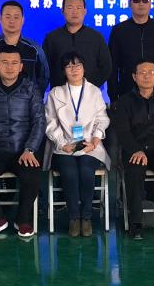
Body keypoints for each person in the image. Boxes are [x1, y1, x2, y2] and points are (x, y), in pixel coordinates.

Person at [0, 45, 45, 239]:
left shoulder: (31, 88)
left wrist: (30, 149)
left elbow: (39, 121)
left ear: (21, 66)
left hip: (23, 150)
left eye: (14, 63)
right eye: (5, 62)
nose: (9, 67)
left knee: (33, 176)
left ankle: (23, 219)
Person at [111, 59, 154, 239]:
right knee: (134, 172)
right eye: (142, 73)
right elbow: (123, 131)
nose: (147, 76)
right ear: (134, 77)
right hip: (135, 151)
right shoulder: (124, 102)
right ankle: (136, 223)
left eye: (151, 72)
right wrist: (135, 149)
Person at [45, 52, 110, 237]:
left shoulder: (94, 91)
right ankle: (74, 218)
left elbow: (102, 118)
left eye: (77, 65)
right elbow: (50, 123)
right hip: (64, 146)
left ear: (84, 68)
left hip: (90, 144)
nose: (74, 69)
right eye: (69, 66)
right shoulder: (56, 93)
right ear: (64, 71)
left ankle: (86, 217)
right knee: (69, 172)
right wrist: (62, 143)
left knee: (86, 171)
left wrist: (96, 139)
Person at [107, 0, 154, 98]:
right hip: (127, 90)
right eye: (136, 0)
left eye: (145, 0)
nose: (141, 4)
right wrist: (113, 96)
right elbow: (112, 66)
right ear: (129, 3)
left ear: (150, 4)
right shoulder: (119, 30)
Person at [0, 0, 50, 94]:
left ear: (22, 20)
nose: (12, 21)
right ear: (0, 19)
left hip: (27, 101)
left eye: (16, 17)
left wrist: (34, 97)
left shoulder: (34, 48)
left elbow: (44, 76)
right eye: (8, 17)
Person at [42, 0, 112, 88]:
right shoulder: (51, 38)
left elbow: (106, 67)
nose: (75, 12)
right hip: (59, 93)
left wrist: (91, 87)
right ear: (62, 11)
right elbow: (44, 68)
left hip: (89, 93)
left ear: (85, 11)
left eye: (78, 8)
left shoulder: (96, 37)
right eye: (70, 8)